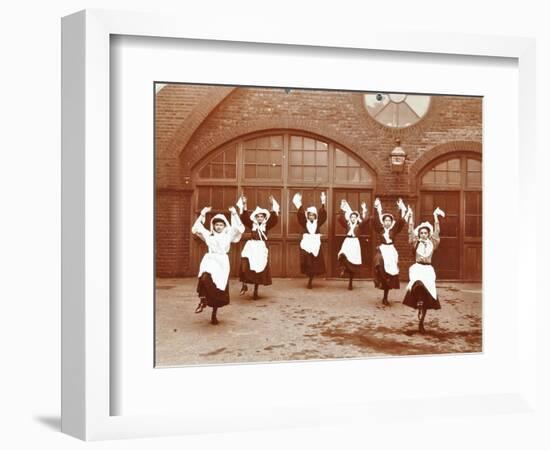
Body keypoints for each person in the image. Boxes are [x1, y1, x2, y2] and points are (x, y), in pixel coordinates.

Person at [191, 206, 244, 325]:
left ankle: (214, 314)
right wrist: (203, 214)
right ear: (213, 225)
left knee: (218, 287)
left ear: (225, 226)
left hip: (222, 262)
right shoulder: (209, 235)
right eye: (216, 225)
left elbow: (239, 228)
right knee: (204, 277)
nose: (218, 227)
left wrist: (234, 214)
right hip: (210, 259)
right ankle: (202, 300)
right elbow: (195, 228)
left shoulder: (228, 235)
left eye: (221, 225)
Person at [403, 206, 445, 333]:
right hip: (417, 268)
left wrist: (435, 217)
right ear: (419, 234)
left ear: (428, 234)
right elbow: (410, 231)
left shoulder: (433, 243)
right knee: (417, 283)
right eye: (421, 233)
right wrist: (410, 216)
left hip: (428, 269)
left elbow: (437, 231)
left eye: (425, 233)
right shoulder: (415, 242)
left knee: (428, 293)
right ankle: (419, 301)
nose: (423, 235)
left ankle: (421, 321)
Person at [237, 194, 280, 300]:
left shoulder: (267, 225)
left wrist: (271, 205)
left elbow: (274, 218)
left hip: (261, 247)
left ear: (264, 218)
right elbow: (245, 217)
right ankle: (244, 284)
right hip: (251, 246)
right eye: (258, 216)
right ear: (255, 217)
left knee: (259, 268)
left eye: (262, 216)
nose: (260, 218)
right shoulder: (252, 225)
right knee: (245, 263)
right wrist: (245, 204)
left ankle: (256, 290)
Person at [372, 197, 407, 306]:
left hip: (391, 250)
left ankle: (385, 295)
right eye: (385, 220)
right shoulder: (380, 229)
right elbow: (374, 219)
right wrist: (376, 207)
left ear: (391, 222)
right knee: (378, 261)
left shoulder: (394, 230)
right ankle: (379, 278)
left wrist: (401, 208)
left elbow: (401, 221)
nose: (387, 222)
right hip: (382, 249)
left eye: (389, 221)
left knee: (390, 271)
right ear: (383, 222)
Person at [292, 191, 328, 289]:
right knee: (308, 261)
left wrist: (323, 202)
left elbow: (323, 215)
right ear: (308, 216)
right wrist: (299, 205)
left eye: (313, 215)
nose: (311, 217)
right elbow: (300, 215)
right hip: (307, 243)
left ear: (315, 216)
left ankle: (311, 279)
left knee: (315, 262)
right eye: (310, 215)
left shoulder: (317, 223)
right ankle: (309, 277)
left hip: (315, 244)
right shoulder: (305, 223)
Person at [337, 199, 369, 290]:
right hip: (347, 242)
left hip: (355, 243)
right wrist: (342, 208)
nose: (353, 218)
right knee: (342, 255)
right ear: (350, 218)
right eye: (352, 217)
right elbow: (339, 218)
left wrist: (364, 210)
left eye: (355, 217)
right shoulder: (347, 225)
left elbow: (366, 220)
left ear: (356, 218)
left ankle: (350, 282)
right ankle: (343, 268)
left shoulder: (359, 226)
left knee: (353, 262)